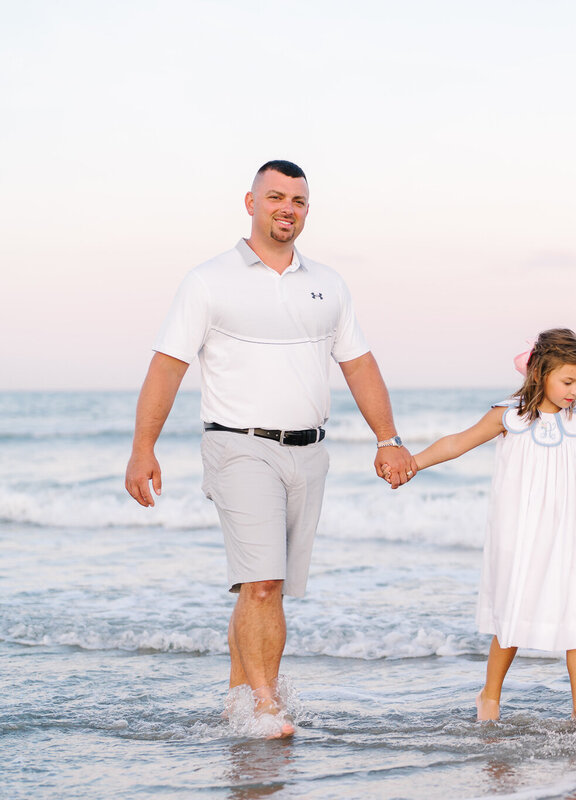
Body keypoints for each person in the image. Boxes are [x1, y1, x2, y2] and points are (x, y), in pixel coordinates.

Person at [124, 160, 417, 738]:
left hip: (309, 452)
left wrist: (389, 439)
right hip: (238, 446)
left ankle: (238, 699)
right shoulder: (208, 280)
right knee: (263, 582)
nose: (288, 208)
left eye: (299, 201)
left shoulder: (329, 282)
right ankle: (265, 704)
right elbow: (167, 366)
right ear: (251, 202)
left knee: (265, 583)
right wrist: (143, 448)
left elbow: (358, 364)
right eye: (276, 197)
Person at [401, 328, 576, 728]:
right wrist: (413, 463)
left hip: (568, 537)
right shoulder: (508, 417)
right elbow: (457, 443)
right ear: (539, 373)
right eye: (568, 381)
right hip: (519, 535)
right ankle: (490, 694)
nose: (575, 391)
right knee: (513, 616)